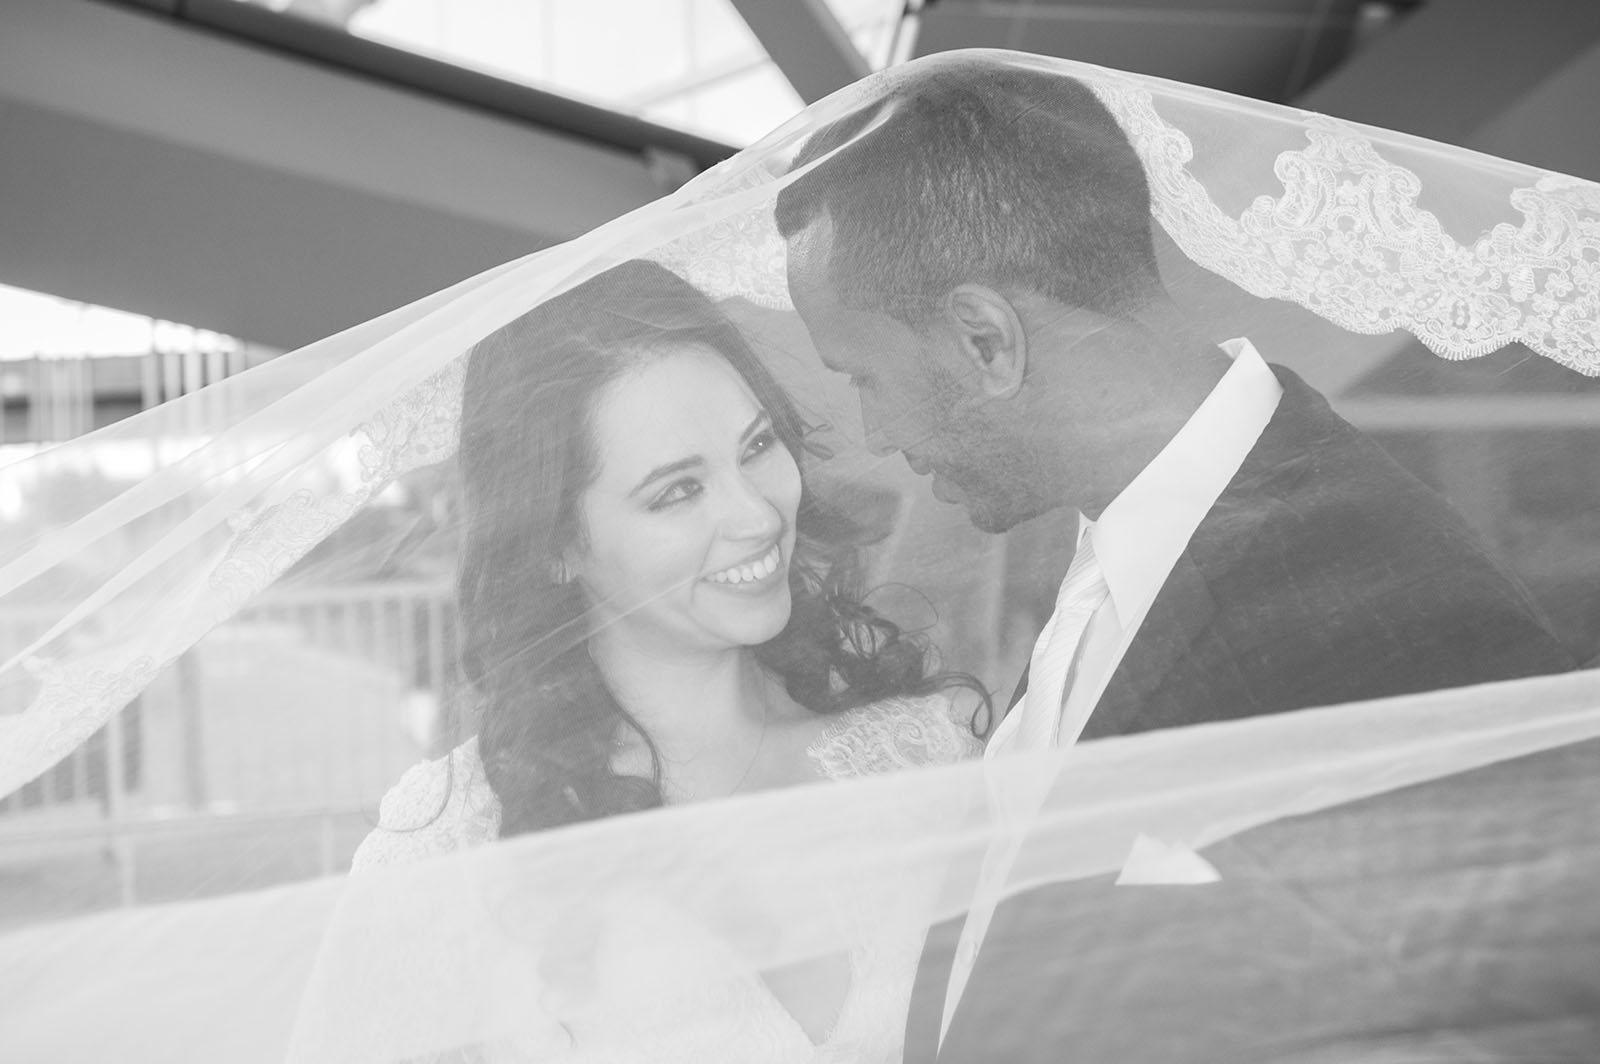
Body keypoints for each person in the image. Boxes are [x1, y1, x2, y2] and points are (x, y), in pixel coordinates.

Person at [774, 52, 1586, 1060]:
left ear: (988, 341)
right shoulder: (1108, 550)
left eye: (868, 378)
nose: (875, 432)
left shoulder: (1390, 607)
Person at [350, 259, 985, 1061]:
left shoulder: (932, 755)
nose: (755, 515)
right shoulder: (446, 858)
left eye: (757, 447)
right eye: (676, 493)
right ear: (554, 546)